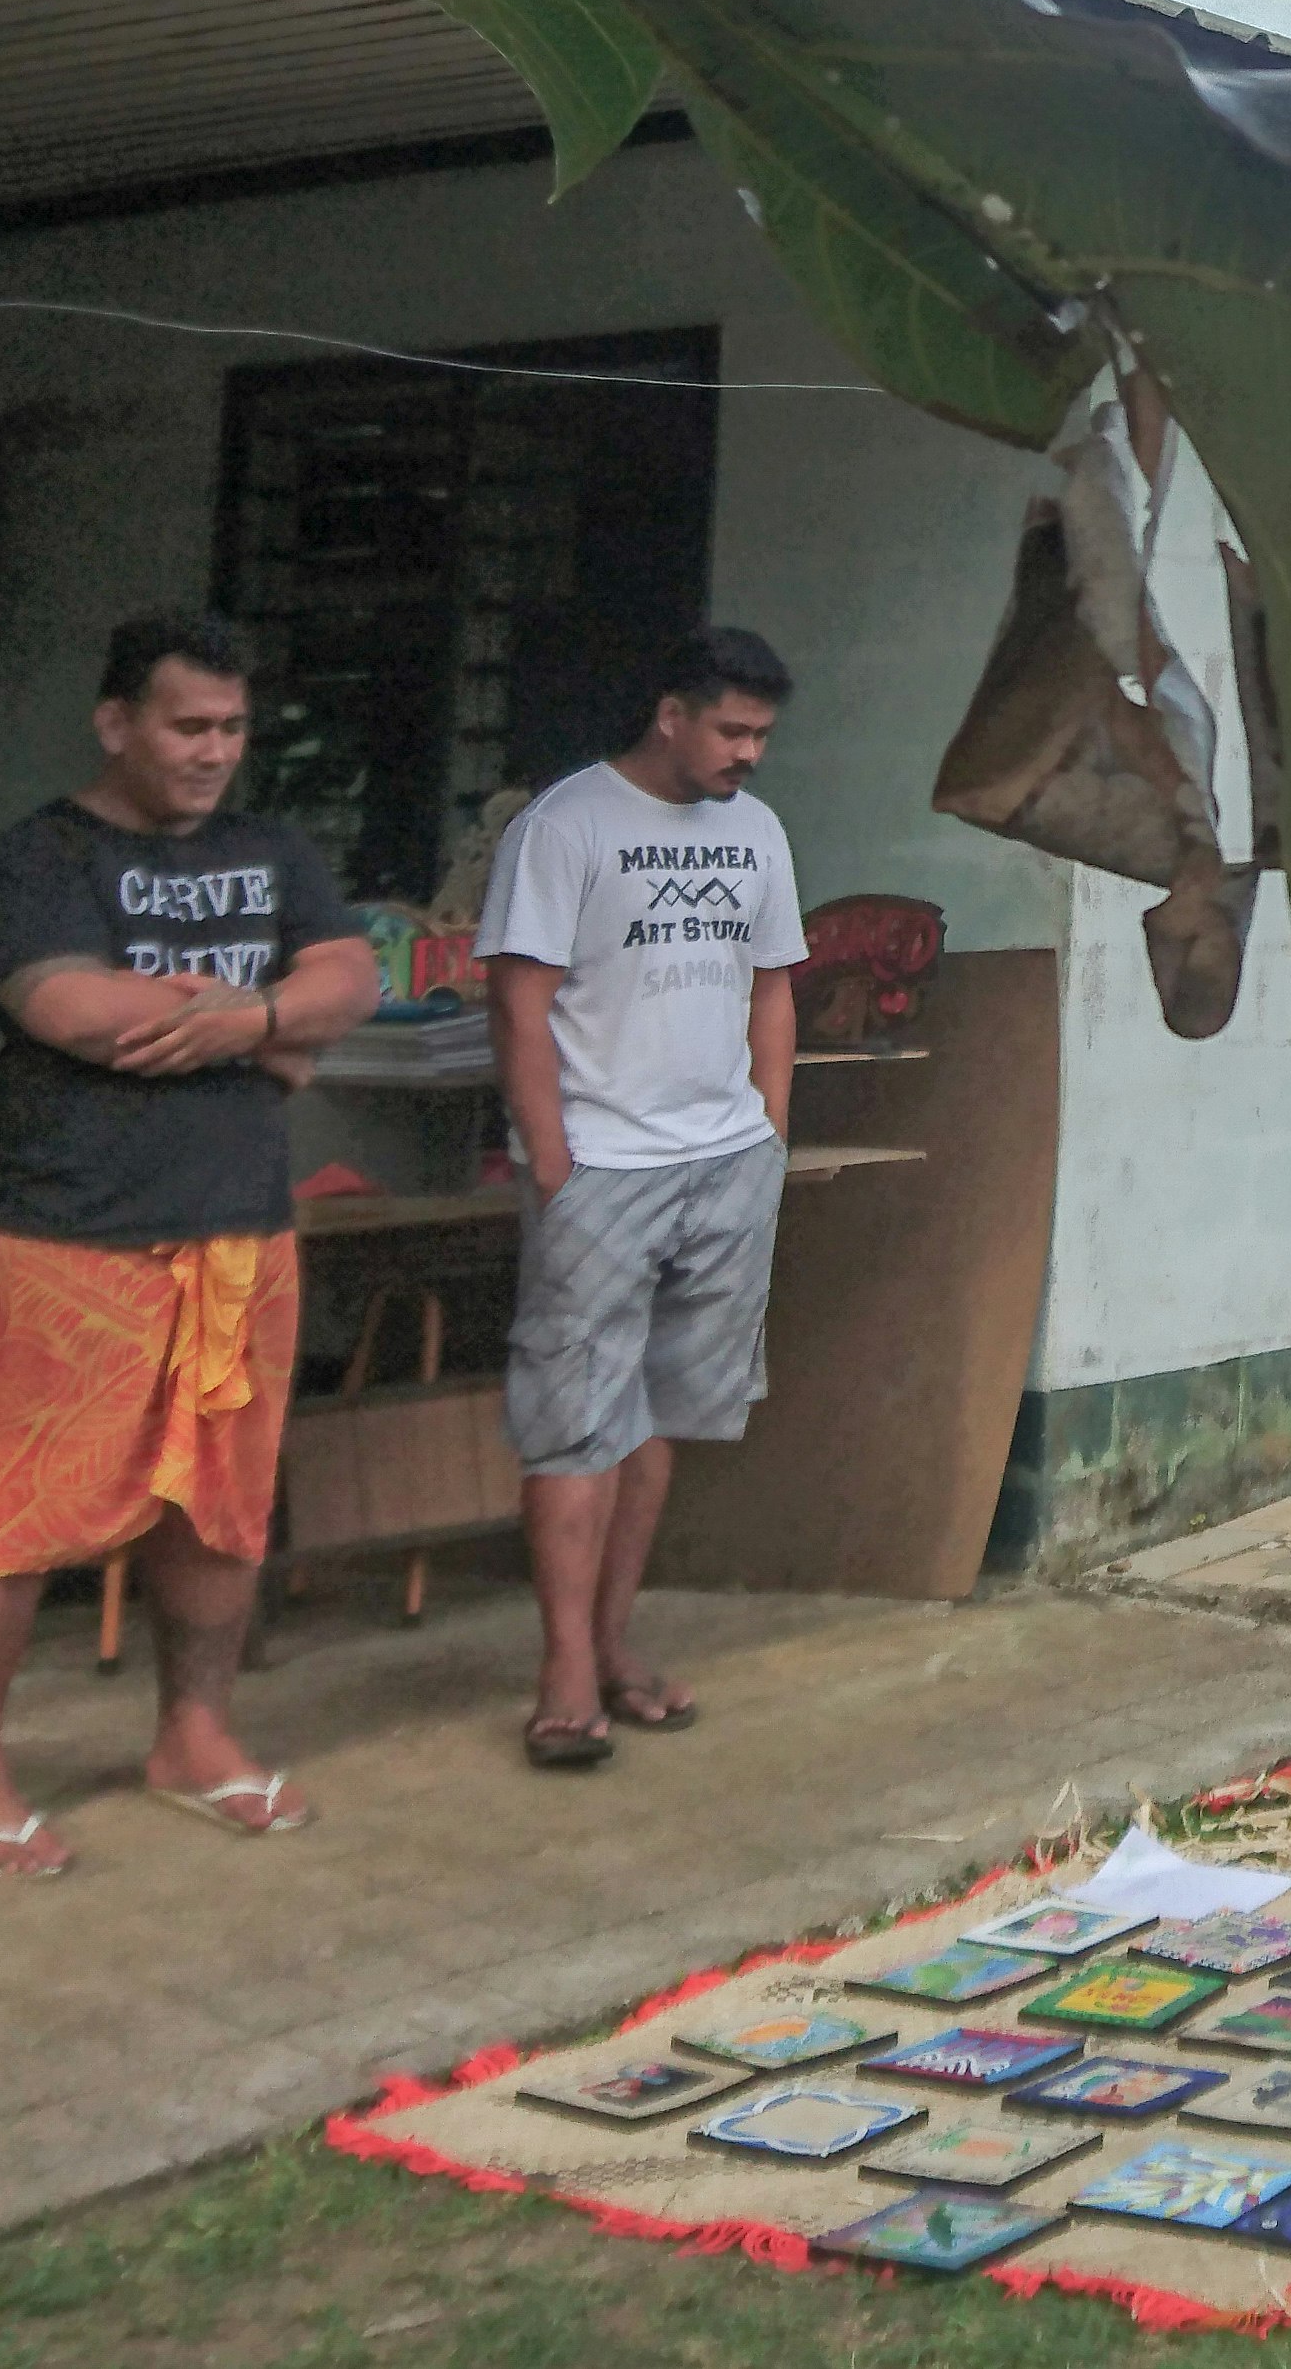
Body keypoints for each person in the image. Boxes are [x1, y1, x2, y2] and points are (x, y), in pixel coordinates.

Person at [0, 610, 376, 1878]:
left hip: (239, 1234)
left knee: (219, 1510)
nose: (212, 751)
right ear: (117, 724)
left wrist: (259, 1014)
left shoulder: (272, 848)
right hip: (68, 1234)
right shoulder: (38, 858)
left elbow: (351, 981)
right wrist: (266, 1028)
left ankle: (195, 1737)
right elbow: (70, 1009)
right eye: (186, 726)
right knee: (4, 1517)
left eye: (230, 728)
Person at [480, 628, 804, 1768]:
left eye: (761, 735)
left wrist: (765, 1132)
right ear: (671, 715)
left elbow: (772, 989)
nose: (748, 755)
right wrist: (555, 1166)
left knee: (659, 1414)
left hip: (723, 1161)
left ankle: (615, 1647)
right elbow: (518, 1006)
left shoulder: (756, 832)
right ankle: (563, 1667)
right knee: (575, 1417)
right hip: (601, 1167)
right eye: (732, 730)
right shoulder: (565, 826)